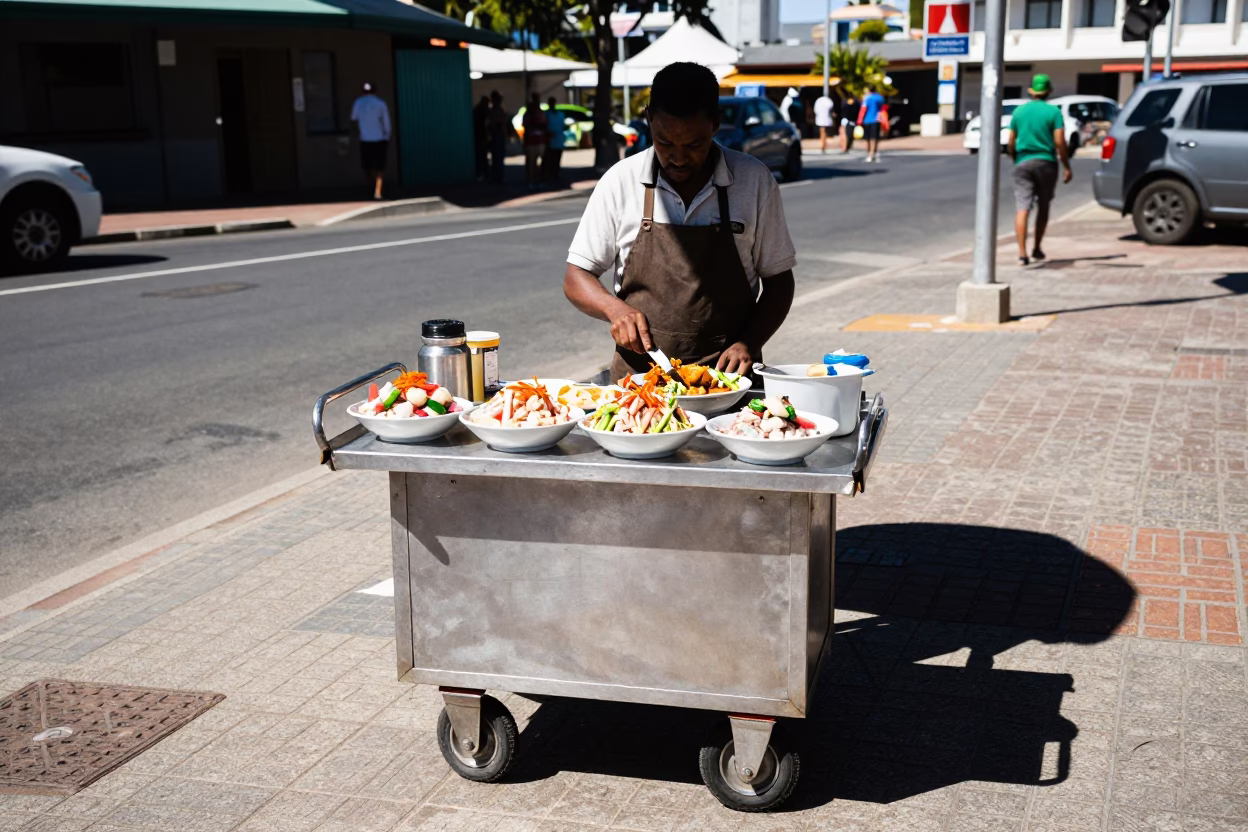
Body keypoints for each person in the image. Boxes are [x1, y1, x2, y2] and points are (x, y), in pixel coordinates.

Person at [563, 61, 797, 381]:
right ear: (649, 119)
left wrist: (750, 342)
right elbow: (577, 276)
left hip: (728, 382)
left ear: (715, 124)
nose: (678, 157)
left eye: (693, 145)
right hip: (640, 383)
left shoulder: (753, 180)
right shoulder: (620, 181)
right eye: (665, 142)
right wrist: (614, 309)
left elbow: (780, 282)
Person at [1007, 74, 1072, 266]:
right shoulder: (1054, 112)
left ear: (1032, 92)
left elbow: (1011, 141)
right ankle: (1036, 248)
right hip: (1046, 162)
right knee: (1043, 207)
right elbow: (1060, 141)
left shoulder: (1018, 112)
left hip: (1023, 161)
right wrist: (1066, 165)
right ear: (1049, 92)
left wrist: (1015, 158)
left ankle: (1021, 254)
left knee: (1022, 207)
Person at [350, 82, 391, 200]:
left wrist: (357, 134)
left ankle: (371, 187)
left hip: (365, 139)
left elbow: (353, 119)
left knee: (368, 166)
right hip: (379, 139)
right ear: (375, 91)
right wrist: (387, 135)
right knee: (380, 167)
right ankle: (378, 191)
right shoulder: (380, 103)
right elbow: (386, 123)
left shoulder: (358, 103)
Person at [521, 92, 548, 189]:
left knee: (541, 162)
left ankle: (539, 180)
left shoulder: (541, 112)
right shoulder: (528, 114)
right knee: (531, 163)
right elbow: (526, 127)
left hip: (540, 140)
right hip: (531, 141)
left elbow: (544, 125)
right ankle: (531, 181)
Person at [486, 90, 510, 184]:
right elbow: (491, 124)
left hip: (500, 137)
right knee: (496, 159)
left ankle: (498, 177)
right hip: (495, 137)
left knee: (499, 158)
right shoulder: (493, 111)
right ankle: (496, 177)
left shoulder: (500, 109)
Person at [857, 86, 885, 162]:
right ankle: (874, 152)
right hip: (876, 119)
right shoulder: (879, 97)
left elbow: (863, 109)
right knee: (874, 138)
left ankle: (869, 154)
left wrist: (859, 120)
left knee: (868, 139)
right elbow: (882, 108)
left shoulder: (867, 98)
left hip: (867, 120)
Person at [543, 96, 564, 183]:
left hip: (558, 140)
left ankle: (555, 175)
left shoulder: (560, 114)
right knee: (550, 160)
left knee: (557, 159)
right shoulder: (546, 114)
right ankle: (550, 176)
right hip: (550, 141)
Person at [472, 95, 490, 182]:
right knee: (481, 157)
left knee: (482, 157)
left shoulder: (478, 110)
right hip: (480, 137)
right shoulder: (481, 111)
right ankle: (483, 174)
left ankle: (484, 174)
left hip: (481, 137)